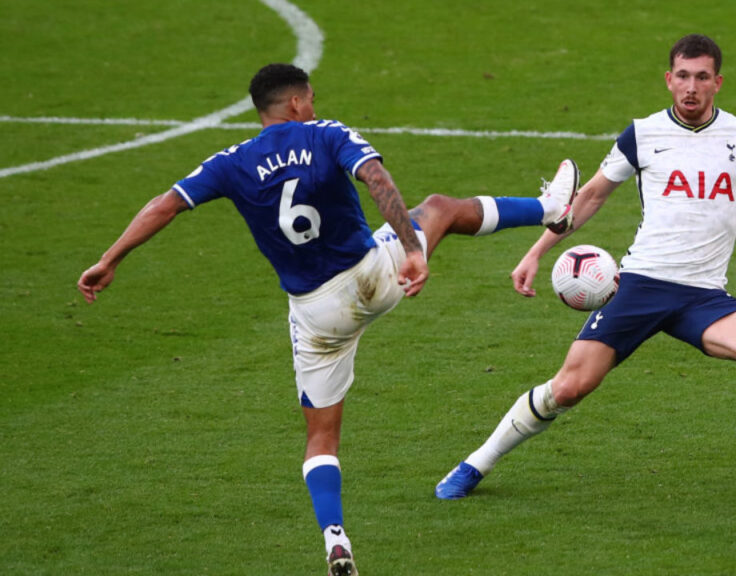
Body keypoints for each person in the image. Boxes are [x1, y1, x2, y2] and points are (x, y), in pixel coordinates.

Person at [76, 63, 581, 576]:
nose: (313, 105)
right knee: (439, 208)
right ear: (296, 103)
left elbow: (165, 205)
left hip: (315, 314)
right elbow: (377, 179)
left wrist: (110, 259)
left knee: (321, 438)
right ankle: (550, 208)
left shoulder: (229, 163)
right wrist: (411, 249)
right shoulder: (326, 133)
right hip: (372, 275)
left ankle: (334, 537)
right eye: (310, 97)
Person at [435, 34, 736, 500]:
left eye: (702, 77)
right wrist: (535, 252)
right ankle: (474, 465)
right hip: (642, 285)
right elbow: (589, 198)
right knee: (569, 388)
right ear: (668, 79)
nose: (691, 87)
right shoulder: (643, 134)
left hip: (703, 295)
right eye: (683, 76)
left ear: (718, 82)